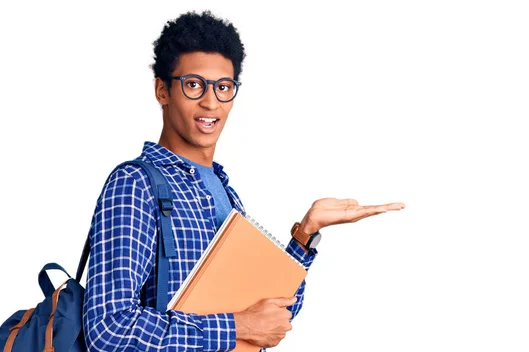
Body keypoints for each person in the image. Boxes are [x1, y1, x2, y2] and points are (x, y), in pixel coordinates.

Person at [82, 10, 405, 351]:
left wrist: (305, 233)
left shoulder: (224, 191)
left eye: (223, 87)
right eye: (194, 85)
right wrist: (238, 325)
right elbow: (109, 330)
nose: (211, 102)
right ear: (162, 90)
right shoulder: (135, 185)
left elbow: (274, 318)